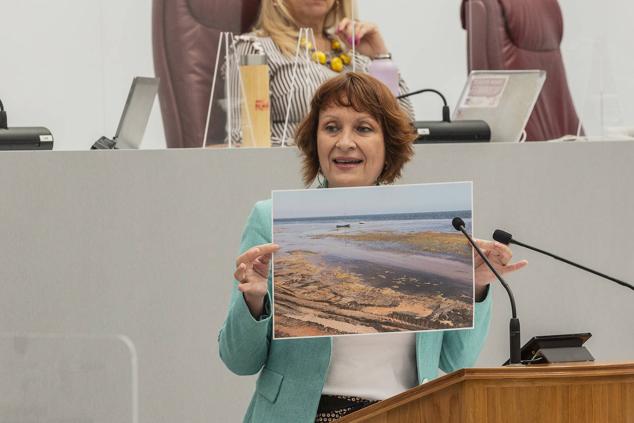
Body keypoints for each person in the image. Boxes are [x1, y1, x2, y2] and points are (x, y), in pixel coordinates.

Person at [218, 72, 527, 423]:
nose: (345, 142)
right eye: (331, 127)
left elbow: (457, 361)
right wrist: (253, 299)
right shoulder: (272, 219)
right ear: (314, 140)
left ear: (388, 143)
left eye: (363, 129)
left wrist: (476, 284)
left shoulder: (431, 224)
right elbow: (238, 360)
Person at [229, 0, 414, 146]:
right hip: (290, 177)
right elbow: (244, 138)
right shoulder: (256, 48)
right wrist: (322, 150)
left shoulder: (355, 51)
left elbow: (404, 129)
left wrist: (380, 56)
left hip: (359, 177)